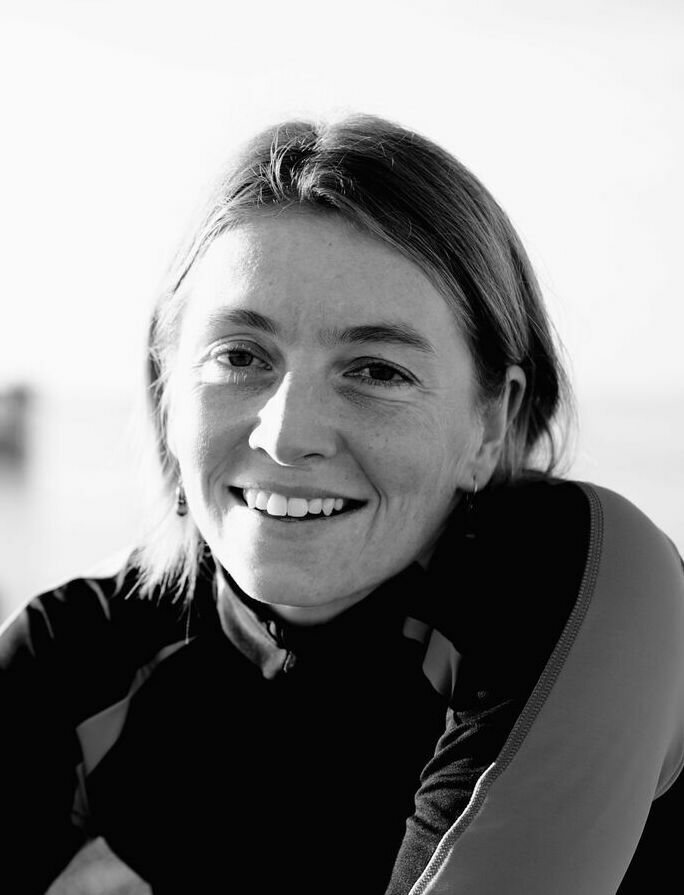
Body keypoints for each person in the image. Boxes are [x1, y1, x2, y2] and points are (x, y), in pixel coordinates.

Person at [1, 115, 683, 895]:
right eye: (240, 356)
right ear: (167, 395)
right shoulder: (75, 661)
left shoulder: (587, 580)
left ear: (491, 423)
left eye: (377, 370)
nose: (287, 435)